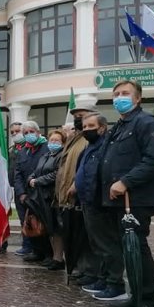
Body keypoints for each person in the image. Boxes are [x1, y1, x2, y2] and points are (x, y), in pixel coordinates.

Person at [99, 80, 154, 307]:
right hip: (120, 200)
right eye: (116, 94)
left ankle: (149, 303)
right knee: (129, 249)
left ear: (138, 99)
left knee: (138, 248)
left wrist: (125, 181)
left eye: (125, 93)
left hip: (136, 198)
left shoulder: (147, 123)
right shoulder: (121, 126)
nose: (119, 97)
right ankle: (137, 296)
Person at [75, 113, 125, 300]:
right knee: (97, 245)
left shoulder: (106, 146)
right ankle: (103, 279)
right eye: (84, 126)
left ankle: (115, 284)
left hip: (100, 203)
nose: (86, 129)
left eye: (90, 126)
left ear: (102, 128)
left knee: (108, 245)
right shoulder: (90, 147)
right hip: (88, 202)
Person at [55, 103, 98, 281]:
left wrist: (76, 184)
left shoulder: (91, 138)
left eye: (82, 115)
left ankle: (91, 272)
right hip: (69, 197)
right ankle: (81, 269)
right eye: (76, 116)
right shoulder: (75, 138)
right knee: (76, 236)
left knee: (87, 238)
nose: (79, 119)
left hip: (83, 195)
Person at [27, 129, 66, 270]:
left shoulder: (62, 156)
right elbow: (36, 170)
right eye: (51, 140)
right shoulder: (45, 155)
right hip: (41, 198)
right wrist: (31, 178)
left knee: (56, 229)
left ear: (63, 142)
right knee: (49, 228)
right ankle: (53, 256)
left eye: (57, 140)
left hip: (53, 196)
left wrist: (38, 180)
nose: (53, 143)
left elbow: (57, 174)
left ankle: (58, 258)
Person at [14, 121, 49, 259]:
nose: (29, 135)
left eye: (31, 132)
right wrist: (21, 193)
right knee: (29, 224)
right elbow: (17, 174)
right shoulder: (23, 151)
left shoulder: (46, 148)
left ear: (38, 132)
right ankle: (36, 251)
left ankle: (48, 253)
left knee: (43, 225)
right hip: (25, 195)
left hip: (41, 193)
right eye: (26, 133)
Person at [8, 122, 31, 256]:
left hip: (27, 188)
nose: (15, 134)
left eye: (17, 131)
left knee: (30, 219)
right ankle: (26, 245)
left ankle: (30, 246)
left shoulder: (28, 148)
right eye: (12, 132)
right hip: (16, 188)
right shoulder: (12, 149)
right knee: (23, 219)